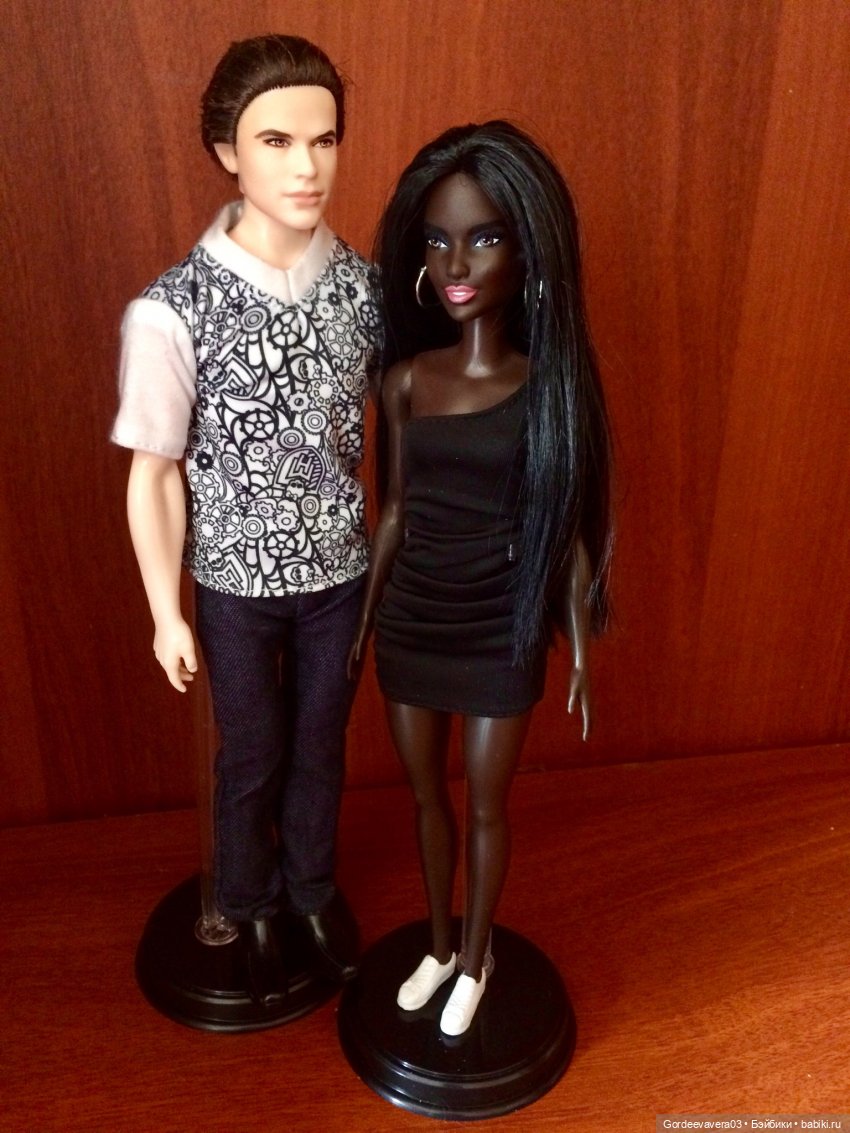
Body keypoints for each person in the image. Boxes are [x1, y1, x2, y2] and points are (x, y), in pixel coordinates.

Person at [112, 35, 379, 1006]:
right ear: (228, 150)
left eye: (324, 140)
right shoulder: (174, 309)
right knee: (252, 750)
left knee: (321, 745)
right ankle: (248, 898)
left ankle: (310, 888)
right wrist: (165, 611)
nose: (306, 166)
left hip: (340, 573)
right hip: (233, 580)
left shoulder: (363, 289)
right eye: (276, 141)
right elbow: (153, 474)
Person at [348, 121, 612, 1036]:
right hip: (415, 619)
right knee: (426, 795)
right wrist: (363, 623)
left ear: (527, 251)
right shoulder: (404, 383)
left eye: (485, 237)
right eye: (438, 239)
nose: (457, 263)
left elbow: (565, 529)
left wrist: (580, 645)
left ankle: (477, 954)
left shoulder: (547, 390)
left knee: (487, 802)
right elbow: (393, 512)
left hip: (501, 622)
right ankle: (437, 944)